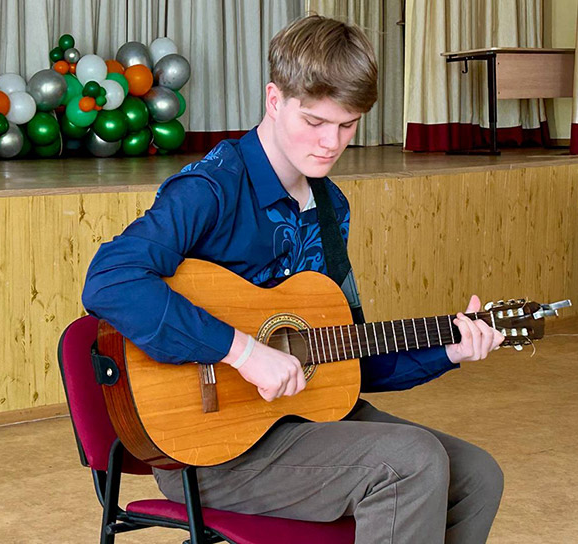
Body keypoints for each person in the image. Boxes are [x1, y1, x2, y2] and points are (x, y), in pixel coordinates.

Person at [82, 14, 505, 544]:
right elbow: (109, 280)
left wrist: (448, 351)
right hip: (212, 446)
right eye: (314, 121)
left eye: (347, 125)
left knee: (477, 476)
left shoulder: (331, 208)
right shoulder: (211, 190)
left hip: (305, 425)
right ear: (274, 100)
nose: (331, 142)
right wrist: (243, 352)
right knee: (410, 461)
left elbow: (348, 356)